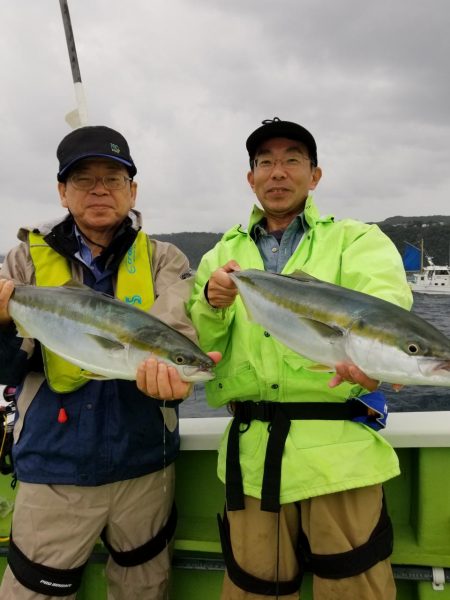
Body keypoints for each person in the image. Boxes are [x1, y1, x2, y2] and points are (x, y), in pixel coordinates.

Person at [188, 117, 413, 600]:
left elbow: (386, 305)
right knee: (253, 592)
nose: (278, 171)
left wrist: (375, 358)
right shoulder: (221, 254)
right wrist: (210, 300)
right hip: (250, 460)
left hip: (339, 455)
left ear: (315, 175)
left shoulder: (356, 239)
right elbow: (204, 345)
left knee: (356, 589)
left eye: (293, 159)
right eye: (265, 162)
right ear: (251, 179)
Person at [0, 125, 218, 600]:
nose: (100, 190)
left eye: (114, 179)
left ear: (132, 190)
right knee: (34, 592)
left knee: (144, 587)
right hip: (52, 464)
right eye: (83, 180)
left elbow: (175, 332)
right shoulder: (21, 265)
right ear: (62, 191)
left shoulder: (164, 258)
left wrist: (179, 375)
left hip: (144, 463)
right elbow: (4, 371)